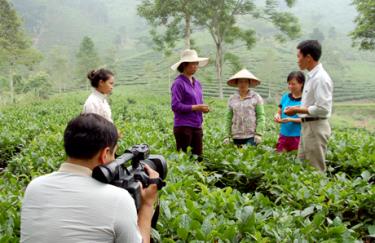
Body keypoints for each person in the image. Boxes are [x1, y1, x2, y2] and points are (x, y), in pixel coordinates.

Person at [21, 114, 159, 243]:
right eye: (114, 153)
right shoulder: (118, 199)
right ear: (104, 154)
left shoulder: (34, 187)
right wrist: (147, 204)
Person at [284, 40, 333, 172]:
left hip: (315, 127)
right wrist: (297, 108)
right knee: (302, 167)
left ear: (309, 58)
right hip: (307, 126)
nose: (298, 60)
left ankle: (317, 193)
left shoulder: (320, 78)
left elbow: (323, 109)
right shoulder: (311, 77)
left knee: (315, 170)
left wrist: (297, 109)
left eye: (299, 56)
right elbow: (311, 104)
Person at [170, 49, 210, 160]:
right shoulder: (178, 83)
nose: (196, 66)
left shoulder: (197, 83)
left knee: (198, 159)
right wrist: (197, 107)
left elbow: (198, 103)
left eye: (197, 63)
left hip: (197, 126)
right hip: (183, 127)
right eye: (193, 63)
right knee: (184, 160)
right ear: (184, 65)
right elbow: (175, 106)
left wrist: (203, 109)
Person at [225, 68, 265, 147]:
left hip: (251, 135)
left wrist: (259, 133)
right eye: (240, 82)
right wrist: (227, 135)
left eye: (245, 81)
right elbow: (228, 118)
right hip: (236, 135)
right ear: (237, 83)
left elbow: (260, 116)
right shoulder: (232, 98)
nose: (243, 84)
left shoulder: (256, 97)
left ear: (249, 83)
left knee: (249, 157)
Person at [274, 71, 305, 152]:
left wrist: (290, 119)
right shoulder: (285, 97)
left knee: (295, 161)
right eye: (289, 84)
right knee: (281, 159)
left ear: (301, 84)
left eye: (293, 84)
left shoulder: (305, 100)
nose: (290, 86)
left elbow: (307, 119)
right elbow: (279, 112)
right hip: (284, 134)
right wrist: (277, 116)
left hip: (298, 136)